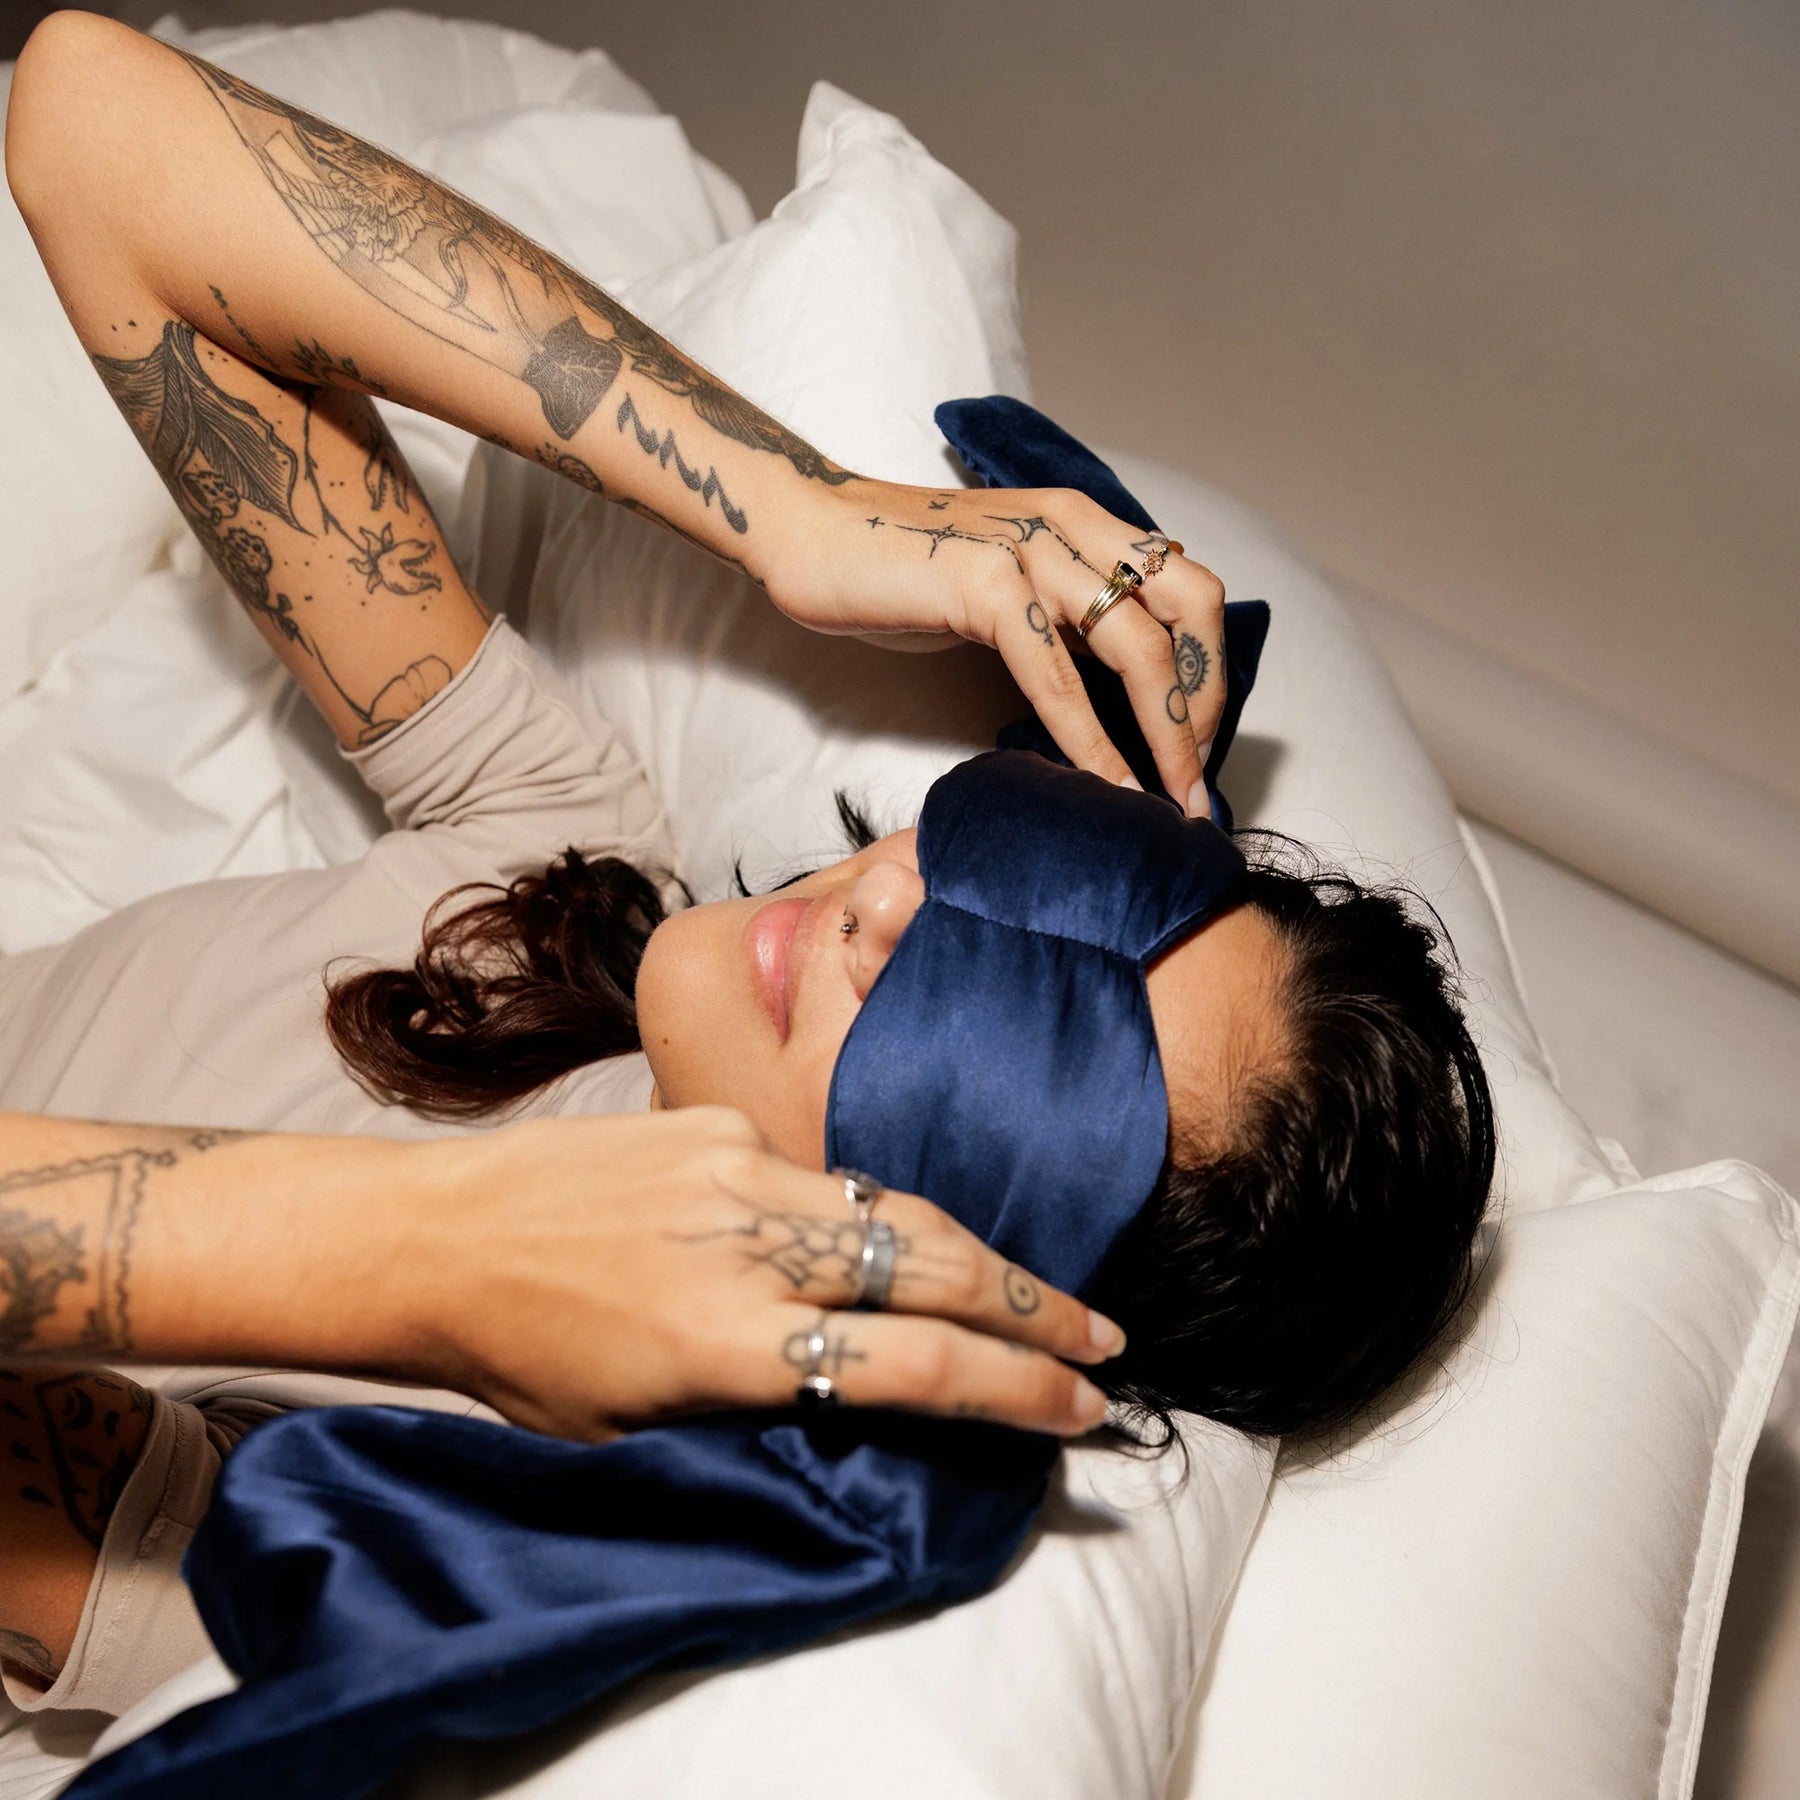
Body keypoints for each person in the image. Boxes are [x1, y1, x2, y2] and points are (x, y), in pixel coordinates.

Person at [0, 9, 1493, 1731]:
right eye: (1022, 863)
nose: (886, 905)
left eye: (990, 1035)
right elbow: (88, 122)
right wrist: (798, 509)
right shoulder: (556, 873)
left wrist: (437, 1259)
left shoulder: (408, 1505)